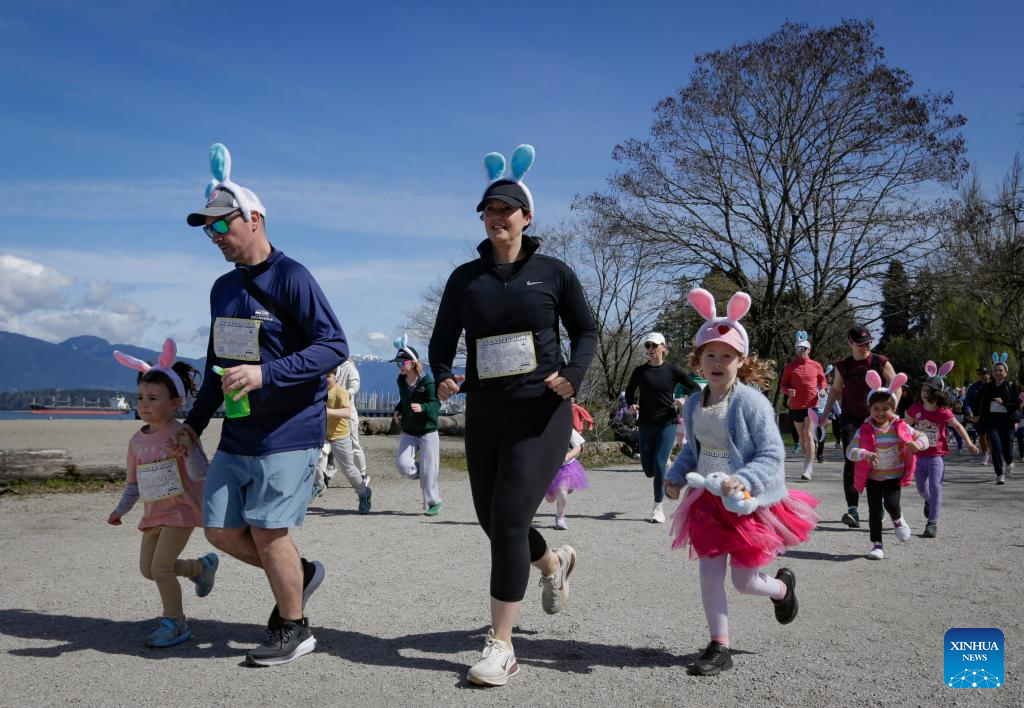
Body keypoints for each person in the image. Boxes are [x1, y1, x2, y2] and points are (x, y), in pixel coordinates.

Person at [428, 145, 597, 686]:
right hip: (486, 411)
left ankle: (501, 645)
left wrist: (573, 374)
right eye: (489, 210)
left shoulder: (554, 273)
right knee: (493, 520)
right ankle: (553, 562)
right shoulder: (465, 279)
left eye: (507, 209)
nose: (497, 217)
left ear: (527, 217)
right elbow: (441, 340)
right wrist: (443, 374)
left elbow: (586, 330)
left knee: (506, 519)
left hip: (542, 413)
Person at [177, 144, 347, 666]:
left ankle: (294, 628)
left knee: (270, 532)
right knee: (221, 531)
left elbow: (333, 345)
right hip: (239, 431)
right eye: (207, 229)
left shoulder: (293, 277)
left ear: (254, 219)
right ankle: (301, 573)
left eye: (221, 225)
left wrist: (266, 374)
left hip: (289, 430)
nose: (214, 236)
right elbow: (217, 362)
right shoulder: (222, 289)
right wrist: (194, 423)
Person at [664, 288, 818, 677]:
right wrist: (676, 476)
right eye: (710, 355)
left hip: (746, 501)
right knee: (709, 571)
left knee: (745, 581)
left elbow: (772, 454)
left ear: (741, 360)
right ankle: (719, 645)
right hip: (707, 501)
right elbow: (694, 448)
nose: (717, 362)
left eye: (727, 355)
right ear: (698, 359)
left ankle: (781, 589)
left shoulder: (751, 402)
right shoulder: (695, 402)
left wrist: (741, 481)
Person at [107, 339, 219, 648]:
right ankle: (200, 568)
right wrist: (120, 510)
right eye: (140, 397)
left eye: (153, 398)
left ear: (175, 403)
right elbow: (134, 483)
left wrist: (188, 450)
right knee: (149, 570)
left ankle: (176, 623)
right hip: (153, 512)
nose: (144, 404)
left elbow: (201, 473)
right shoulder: (136, 441)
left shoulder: (182, 433)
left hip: (181, 510)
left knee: (160, 568)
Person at [820, 325, 900, 528]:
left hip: (877, 420)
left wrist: (892, 409)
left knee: (879, 461)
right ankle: (852, 509)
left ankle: (880, 504)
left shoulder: (879, 361)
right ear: (850, 343)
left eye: (869, 343)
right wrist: (825, 413)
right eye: (861, 344)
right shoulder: (843, 365)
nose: (866, 347)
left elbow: (896, 385)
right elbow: (836, 389)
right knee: (852, 459)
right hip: (851, 419)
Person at [845, 371, 928, 559]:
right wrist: (863, 454)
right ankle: (877, 545)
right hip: (873, 478)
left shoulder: (900, 426)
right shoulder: (864, 429)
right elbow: (850, 451)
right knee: (874, 512)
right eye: (876, 408)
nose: (880, 412)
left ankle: (897, 519)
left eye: (885, 408)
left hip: (893, 476)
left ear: (893, 408)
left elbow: (922, 436)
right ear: (869, 409)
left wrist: (918, 444)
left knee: (891, 504)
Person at [625, 332, 700, 523]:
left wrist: (684, 399)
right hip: (645, 424)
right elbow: (629, 392)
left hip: (667, 422)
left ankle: (658, 508)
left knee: (658, 465)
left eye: (654, 345)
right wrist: (631, 405)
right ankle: (663, 466)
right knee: (648, 470)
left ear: (663, 348)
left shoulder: (672, 371)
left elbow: (695, 388)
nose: (650, 349)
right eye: (647, 346)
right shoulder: (640, 371)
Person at [905, 361, 979, 538]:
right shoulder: (916, 409)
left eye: (928, 391)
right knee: (921, 487)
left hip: (936, 456)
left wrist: (969, 442)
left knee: (935, 485)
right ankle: (929, 501)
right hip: (919, 456)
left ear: (937, 393)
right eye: (923, 390)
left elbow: (958, 427)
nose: (924, 393)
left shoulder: (943, 412)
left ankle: (932, 522)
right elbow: (904, 427)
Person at [391, 336, 442, 516]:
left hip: (428, 430)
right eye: (397, 363)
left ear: (412, 363)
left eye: (401, 362)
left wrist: (423, 407)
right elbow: (404, 400)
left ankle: (434, 502)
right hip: (409, 430)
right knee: (402, 465)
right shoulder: (401, 380)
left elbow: (436, 404)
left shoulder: (427, 381)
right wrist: (397, 410)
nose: (399, 366)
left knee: (429, 472)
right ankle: (427, 471)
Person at [315, 367, 372, 513]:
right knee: (313, 462)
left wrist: (327, 411)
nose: (325, 379)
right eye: (323, 376)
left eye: (328, 376)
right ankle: (319, 486)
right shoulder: (318, 391)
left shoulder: (341, 392)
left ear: (336, 377)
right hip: (323, 435)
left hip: (340, 436)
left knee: (348, 469)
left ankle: (364, 493)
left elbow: (347, 412)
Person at [780, 331, 827, 481]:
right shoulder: (790, 367)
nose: (801, 352)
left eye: (804, 349)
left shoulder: (816, 365)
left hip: (812, 404)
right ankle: (807, 457)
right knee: (801, 438)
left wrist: (823, 389)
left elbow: (823, 380)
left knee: (808, 434)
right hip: (796, 406)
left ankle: (808, 468)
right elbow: (783, 385)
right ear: (796, 350)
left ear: (809, 350)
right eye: (799, 349)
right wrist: (788, 391)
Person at [972, 355, 1021, 484]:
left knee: (1007, 450)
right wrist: (976, 414)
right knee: (996, 448)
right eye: (995, 370)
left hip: (1007, 422)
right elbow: (977, 401)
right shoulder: (987, 387)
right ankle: (999, 474)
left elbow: (1016, 405)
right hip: (991, 422)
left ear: (1006, 372)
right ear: (992, 373)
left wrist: (1003, 403)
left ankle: (1009, 462)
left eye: (1001, 370)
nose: (998, 372)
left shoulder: (1012, 386)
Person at [544, 426, 588, 530]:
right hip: (544, 468)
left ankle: (560, 518)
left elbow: (580, 446)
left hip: (564, 467)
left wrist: (567, 456)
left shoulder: (566, 427)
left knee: (562, 492)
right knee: (550, 499)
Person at [336, 359, 369, 477]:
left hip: (348, 413)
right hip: (333, 413)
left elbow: (355, 387)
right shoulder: (330, 365)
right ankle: (328, 469)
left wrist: (343, 394)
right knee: (328, 443)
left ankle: (362, 473)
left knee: (353, 444)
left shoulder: (350, 368)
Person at [963, 367, 992, 463]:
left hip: (992, 416)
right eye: (979, 374)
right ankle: (986, 455)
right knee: (982, 436)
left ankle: (992, 453)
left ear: (989, 374)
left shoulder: (995, 386)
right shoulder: (973, 387)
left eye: (983, 373)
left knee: (991, 436)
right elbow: (967, 401)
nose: (981, 375)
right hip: (978, 416)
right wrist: (969, 412)